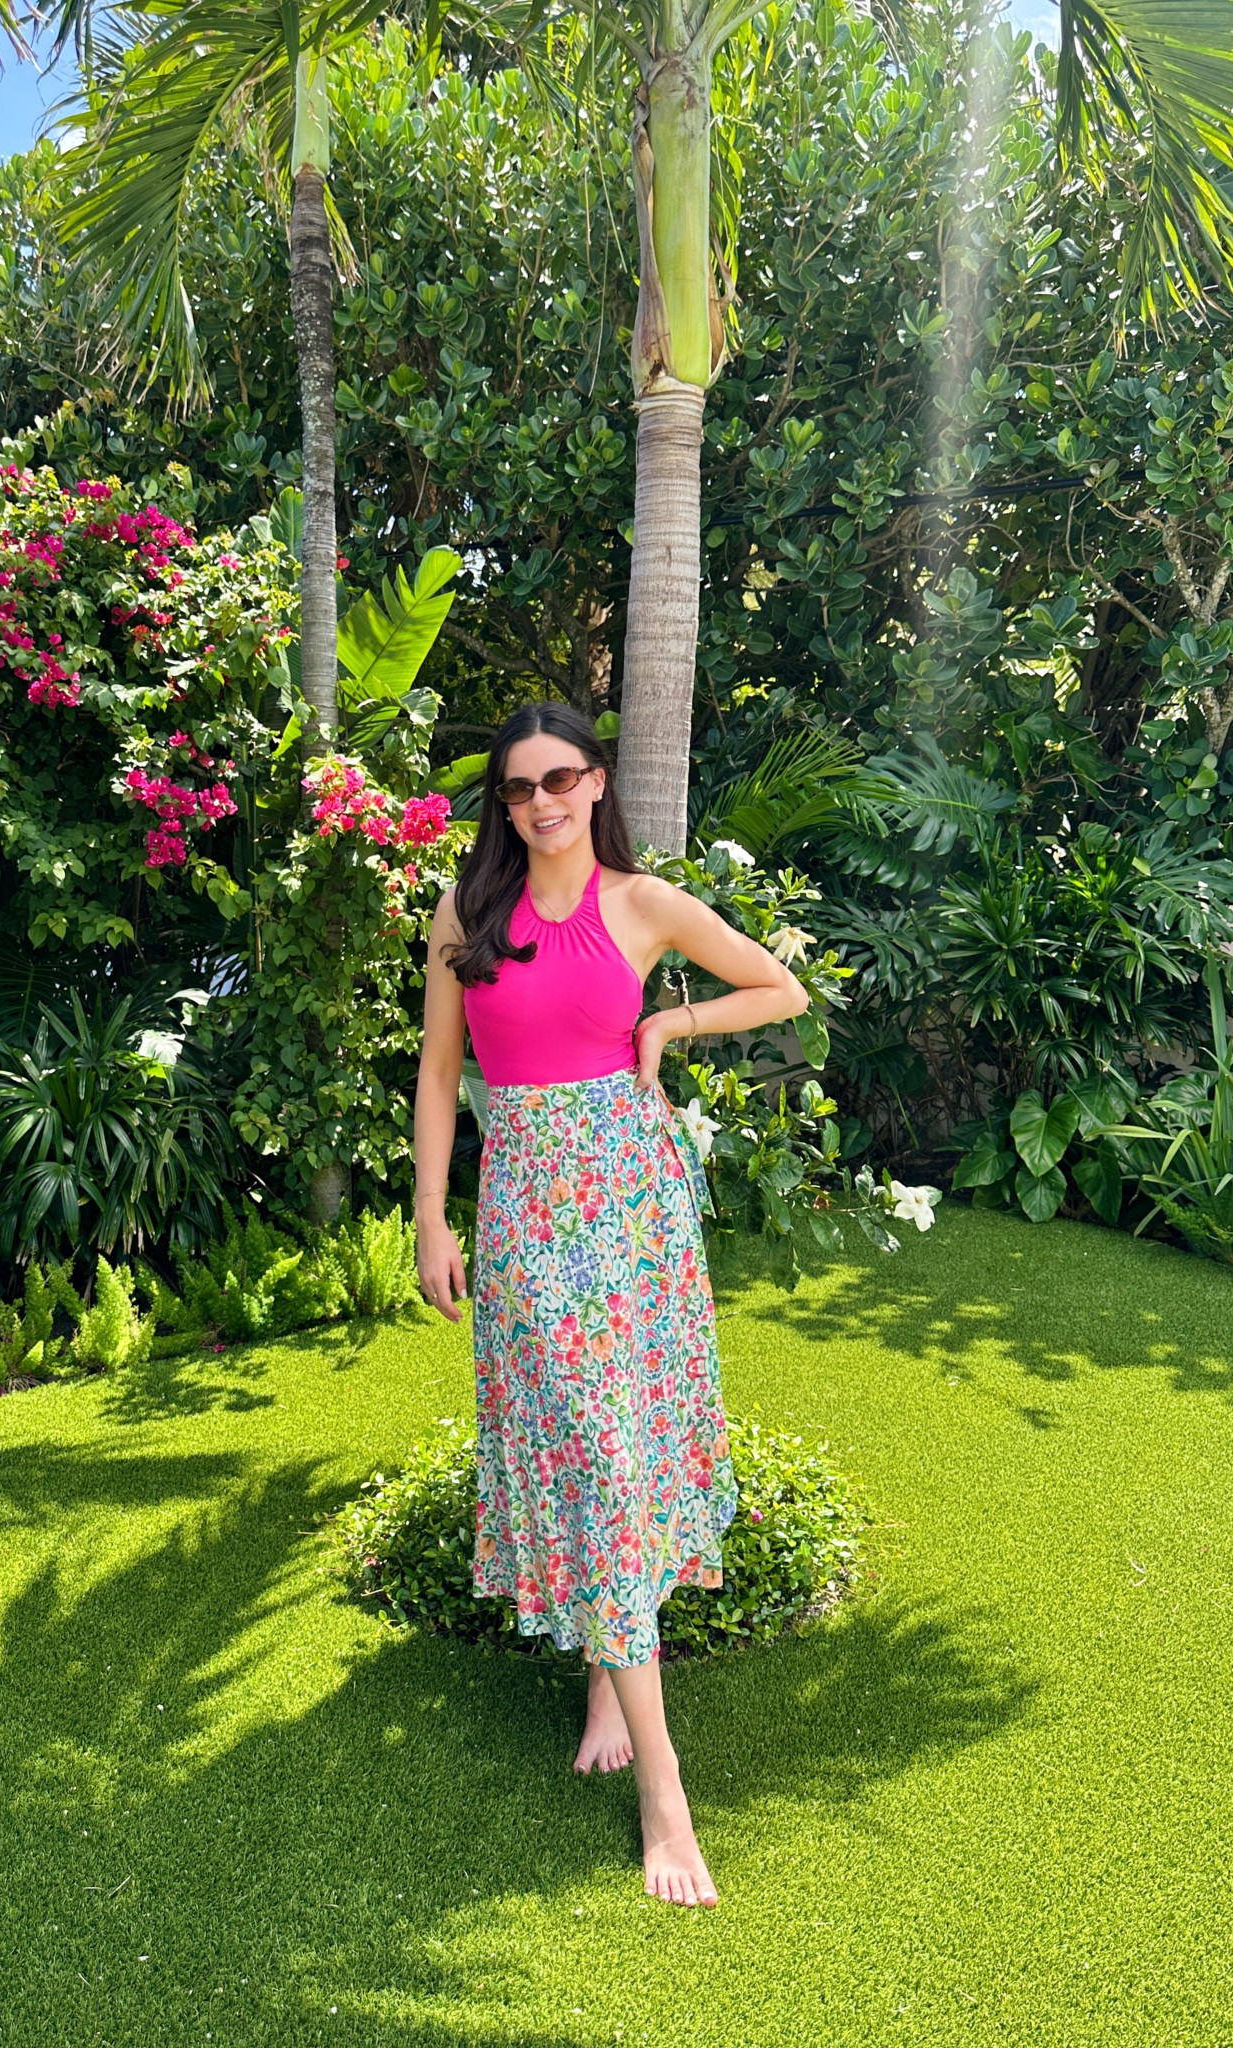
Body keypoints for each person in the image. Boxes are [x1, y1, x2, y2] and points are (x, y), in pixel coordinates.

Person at [412, 700, 810, 1910]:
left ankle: (664, 1789)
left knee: (617, 1451)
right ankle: (613, 1668)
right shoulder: (465, 914)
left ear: (595, 784)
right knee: (583, 1447)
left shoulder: (643, 905)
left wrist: (668, 1020)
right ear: (504, 802)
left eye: (561, 779)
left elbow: (778, 989)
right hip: (527, 1210)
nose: (540, 802)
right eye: (519, 786)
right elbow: (437, 1076)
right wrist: (431, 1213)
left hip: (633, 1213)